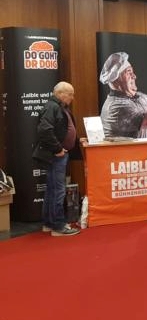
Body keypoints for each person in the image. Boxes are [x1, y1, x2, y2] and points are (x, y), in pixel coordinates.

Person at [32, 82, 81, 237]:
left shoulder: (59, 107)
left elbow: (64, 129)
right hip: (56, 155)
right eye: (70, 94)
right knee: (58, 190)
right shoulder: (52, 107)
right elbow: (44, 130)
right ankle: (58, 226)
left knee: (52, 189)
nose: (72, 98)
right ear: (60, 93)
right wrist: (58, 149)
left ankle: (49, 223)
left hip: (59, 155)